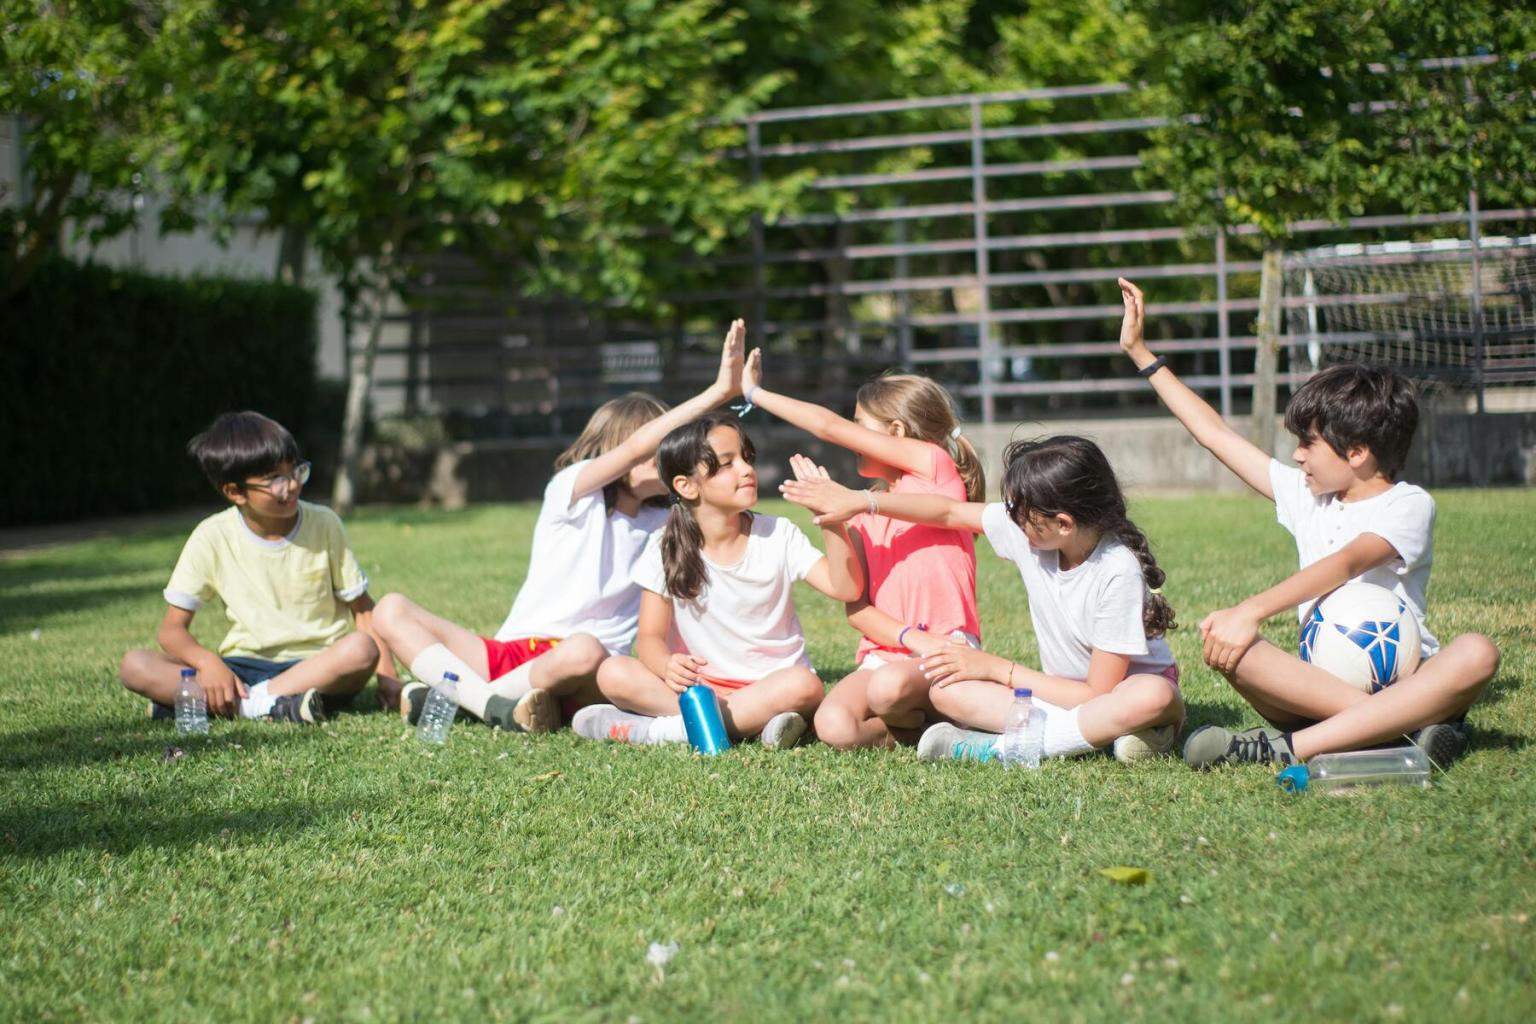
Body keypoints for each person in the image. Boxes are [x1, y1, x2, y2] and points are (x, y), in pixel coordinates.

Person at [1115, 277, 1500, 768]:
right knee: (1226, 642)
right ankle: (1401, 728)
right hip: (1321, 685)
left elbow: (1347, 562)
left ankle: (1293, 747)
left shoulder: (1409, 504)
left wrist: (1252, 608)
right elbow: (1213, 433)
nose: (1297, 457)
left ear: (1357, 452)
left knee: (1476, 652)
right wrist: (1140, 352)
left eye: (1308, 444)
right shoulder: (1306, 495)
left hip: (1406, 676)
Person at [371, 322, 746, 733]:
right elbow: (635, 448)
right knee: (390, 609)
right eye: (657, 443)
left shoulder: (669, 524)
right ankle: (493, 705)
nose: (663, 455)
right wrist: (716, 393)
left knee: (583, 649)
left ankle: (467, 700)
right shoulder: (573, 492)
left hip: (587, 669)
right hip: (511, 652)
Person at [781, 435, 1184, 763]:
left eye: (1023, 514)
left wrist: (996, 669)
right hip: (1057, 697)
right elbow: (948, 514)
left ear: (1063, 523)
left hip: (1114, 695)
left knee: (1153, 695)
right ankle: (1113, 739)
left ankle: (1002, 748)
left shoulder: (1117, 570)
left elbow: (1097, 694)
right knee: (945, 691)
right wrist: (863, 501)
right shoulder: (1033, 534)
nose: (1013, 520)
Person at [739, 349, 986, 748]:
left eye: (860, 427)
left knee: (887, 690)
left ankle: (949, 709)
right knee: (834, 726)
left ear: (896, 432)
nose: (849, 436)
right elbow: (856, 604)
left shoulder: (933, 466)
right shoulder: (860, 510)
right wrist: (832, 518)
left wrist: (753, 393)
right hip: (889, 653)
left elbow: (826, 426)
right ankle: (924, 729)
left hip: (947, 649)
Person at [574, 412, 864, 749]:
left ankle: (666, 730)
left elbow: (845, 588)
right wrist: (666, 665)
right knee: (613, 672)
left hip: (772, 683)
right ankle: (749, 724)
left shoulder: (777, 535)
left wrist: (830, 520)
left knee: (805, 686)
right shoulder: (663, 545)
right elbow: (650, 637)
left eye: (746, 458)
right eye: (726, 463)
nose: (746, 469)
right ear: (686, 485)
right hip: (700, 687)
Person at [119, 411, 395, 724]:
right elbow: (171, 631)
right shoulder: (212, 535)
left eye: (294, 471)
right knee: (135, 664)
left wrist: (387, 675)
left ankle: (228, 705)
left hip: (320, 667)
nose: (290, 485)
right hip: (242, 666)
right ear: (235, 492)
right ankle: (274, 706)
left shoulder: (325, 523)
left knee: (361, 648)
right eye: (273, 479)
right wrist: (209, 663)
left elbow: (363, 609)